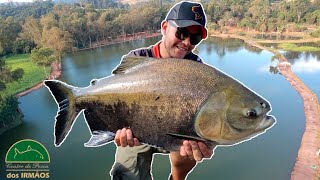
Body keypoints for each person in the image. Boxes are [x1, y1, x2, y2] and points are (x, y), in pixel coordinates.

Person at [110, 1, 215, 180]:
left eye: (194, 39)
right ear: (165, 27)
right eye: (182, 33)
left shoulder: (196, 69)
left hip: (177, 132)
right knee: (126, 174)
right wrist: (114, 129)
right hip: (137, 131)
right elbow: (114, 100)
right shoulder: (137, 60)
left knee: (195, 147)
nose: (187, 43)